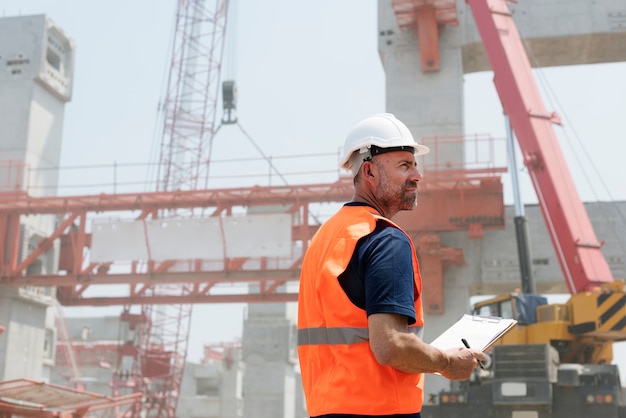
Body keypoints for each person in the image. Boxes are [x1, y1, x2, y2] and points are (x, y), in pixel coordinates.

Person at [297, 113, 484, 417]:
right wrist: (448, 363)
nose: (417, 175)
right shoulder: (384, 239)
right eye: (404, 165)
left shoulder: (325, 237)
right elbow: (391, 345)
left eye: (415, 164)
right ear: (368, 171)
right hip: (380, 410)